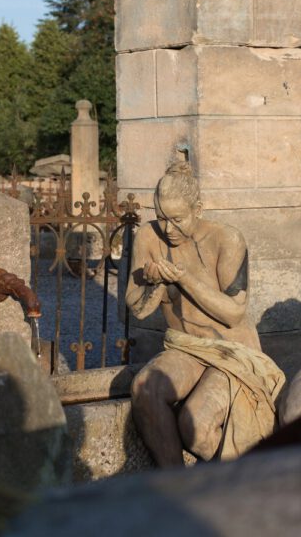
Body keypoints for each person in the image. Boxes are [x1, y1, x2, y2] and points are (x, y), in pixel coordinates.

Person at [126, 162, 285, 466]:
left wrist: (184, 279)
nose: (169, 229)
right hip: (185, 347)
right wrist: (154, 284)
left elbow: (234, 314)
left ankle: (236, 486)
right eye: (161, 218)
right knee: (145, 388)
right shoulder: (148, 237)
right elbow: (138, 309)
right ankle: (177, 489)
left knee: (194, 423)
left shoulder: (227, 239)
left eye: (177, 219)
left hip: (232, 351)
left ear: (198, 208)